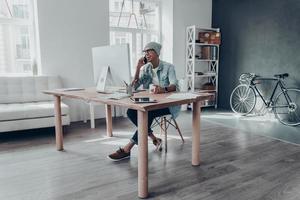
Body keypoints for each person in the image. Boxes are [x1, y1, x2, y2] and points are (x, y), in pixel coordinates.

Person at [108, 42, 181, 161]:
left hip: (168, 104)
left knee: (147, 113)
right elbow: (134, 86)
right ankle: (154, 138)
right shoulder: (146, 68)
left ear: (157, 52)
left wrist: (162, 89)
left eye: (149, 51)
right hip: (153, 102)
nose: (146, 54)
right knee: (131, 112)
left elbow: (174, 86)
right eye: (145, 52)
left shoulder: (169, 67)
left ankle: (127, 149)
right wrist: (138, 67)